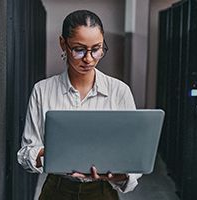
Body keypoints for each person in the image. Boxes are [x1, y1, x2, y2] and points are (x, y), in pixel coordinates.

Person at [17, 10, 142, 200]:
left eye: (97, 49)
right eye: (79, 49)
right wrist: (53, 153)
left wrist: (122, 175)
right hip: (57, 190)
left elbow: (132, 155)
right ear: (63, 44)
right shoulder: (42, 91)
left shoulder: (119, 91)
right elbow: (26, 153)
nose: (89, 59)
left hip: (102, 190)